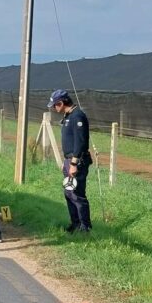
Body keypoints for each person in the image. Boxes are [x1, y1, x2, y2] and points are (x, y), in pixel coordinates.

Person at [48, 89, 92, 233]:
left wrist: (73, 163)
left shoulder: (77, 116)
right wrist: (66, 162)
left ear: (61, 103)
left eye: (55, 105)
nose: (54, 108)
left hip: (77, 162)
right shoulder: (68, 116)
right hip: (69, 161)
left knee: (77, 194)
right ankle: (75, 224)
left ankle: (85, 228)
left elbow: (80, 143)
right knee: (69, 193)